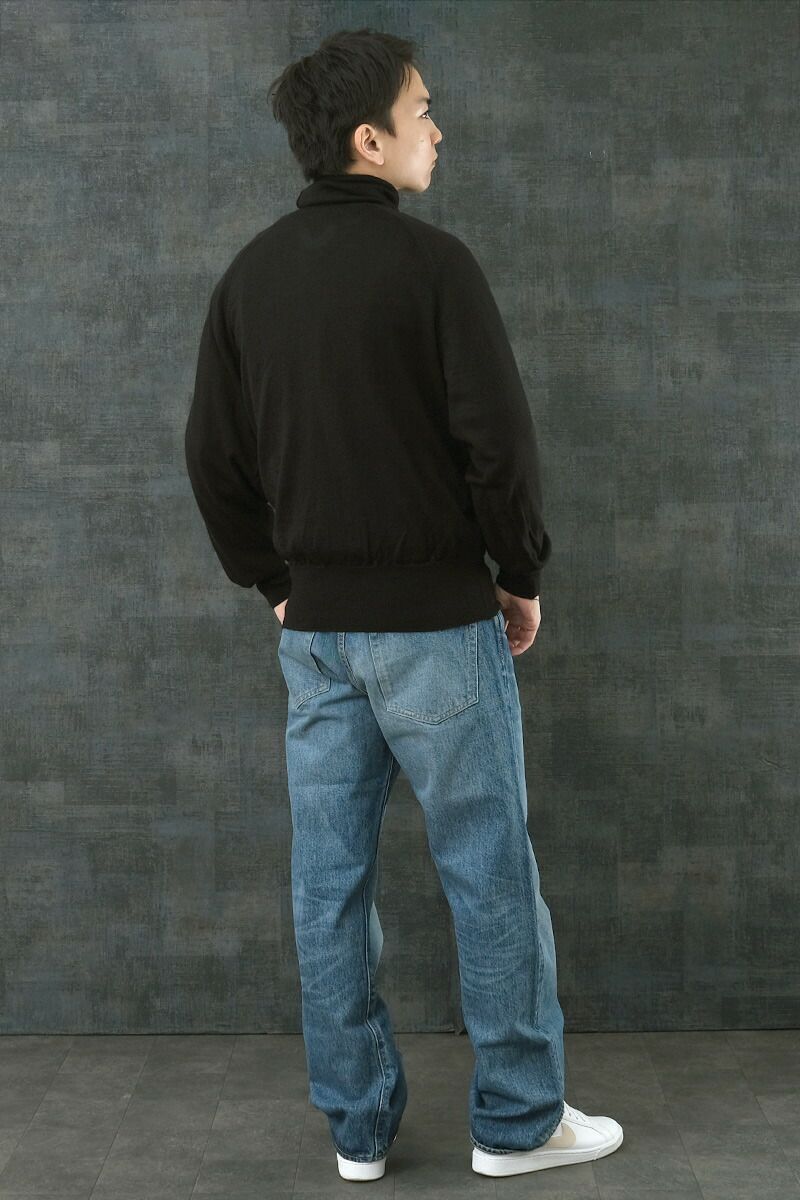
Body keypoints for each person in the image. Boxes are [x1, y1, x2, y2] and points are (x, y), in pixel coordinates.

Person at [184, 26, 623, 1182]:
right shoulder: (435, 269)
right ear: (367, 140)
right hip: (436, 627)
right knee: (488, 872)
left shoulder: (249, 278)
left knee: (327, 884)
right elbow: (499, 448)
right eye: (421, 111)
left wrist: (277, 583)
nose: (437, 128)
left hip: (317, 637)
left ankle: (357, 1132)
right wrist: (517, 573)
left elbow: (211, 460)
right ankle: (517, 1124)